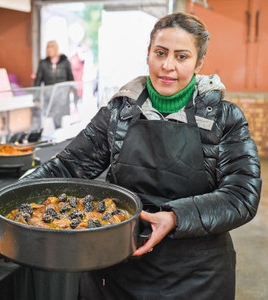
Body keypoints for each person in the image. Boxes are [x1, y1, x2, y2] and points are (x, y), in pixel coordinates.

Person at [24, 12, 261, 299]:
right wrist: (11, 196)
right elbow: (69, 166)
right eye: (160, 53)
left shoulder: (226, 118)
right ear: (148, 54)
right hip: (121, 266)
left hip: (197, 275)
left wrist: (174, 217)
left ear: (199, 63)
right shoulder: (117, 112)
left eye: (181, 57)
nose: (167, 66)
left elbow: (241, 195)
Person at [34, 40, 75, 129]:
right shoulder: (43, 63)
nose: (49, 49)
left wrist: (74, 96)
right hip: (49, 95)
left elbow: (71, 79)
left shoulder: (65, 62)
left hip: (62, 96)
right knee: (51, 116)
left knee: (60, 117)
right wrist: (36, 98)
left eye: (51, 47)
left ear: (56, 48)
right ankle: (56, 135)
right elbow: (38, 81)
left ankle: (59, 134)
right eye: (48, 47)